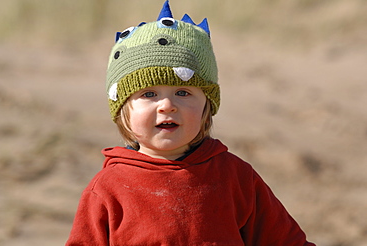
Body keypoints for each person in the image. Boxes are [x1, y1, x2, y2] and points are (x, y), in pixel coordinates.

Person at [66, 1, 316, 245]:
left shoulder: (235, 176)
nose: (167, 105)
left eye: (183, 92)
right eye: (149, 94)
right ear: (123, 111)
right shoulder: (108, 188)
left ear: (207, 106)